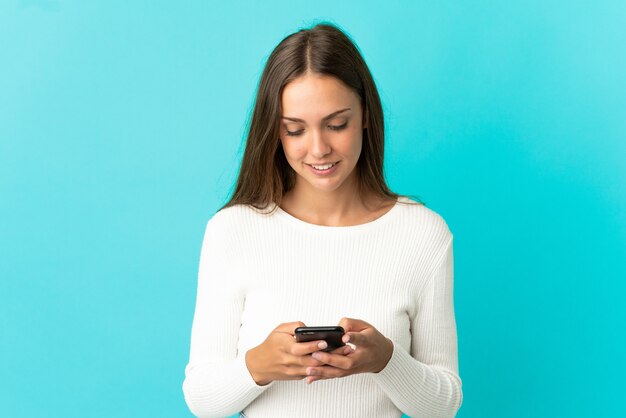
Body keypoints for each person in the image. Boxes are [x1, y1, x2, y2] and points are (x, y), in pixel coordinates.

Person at [182, 22, 463, 418]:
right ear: (275, 133)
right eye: (295, 130)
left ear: (365, 115)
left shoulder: (422, 234)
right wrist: (258, 366)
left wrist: (385, 359)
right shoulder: (233, 231)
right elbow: (202, 399)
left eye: (337, 124)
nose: (318, 149)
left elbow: (444, 404)